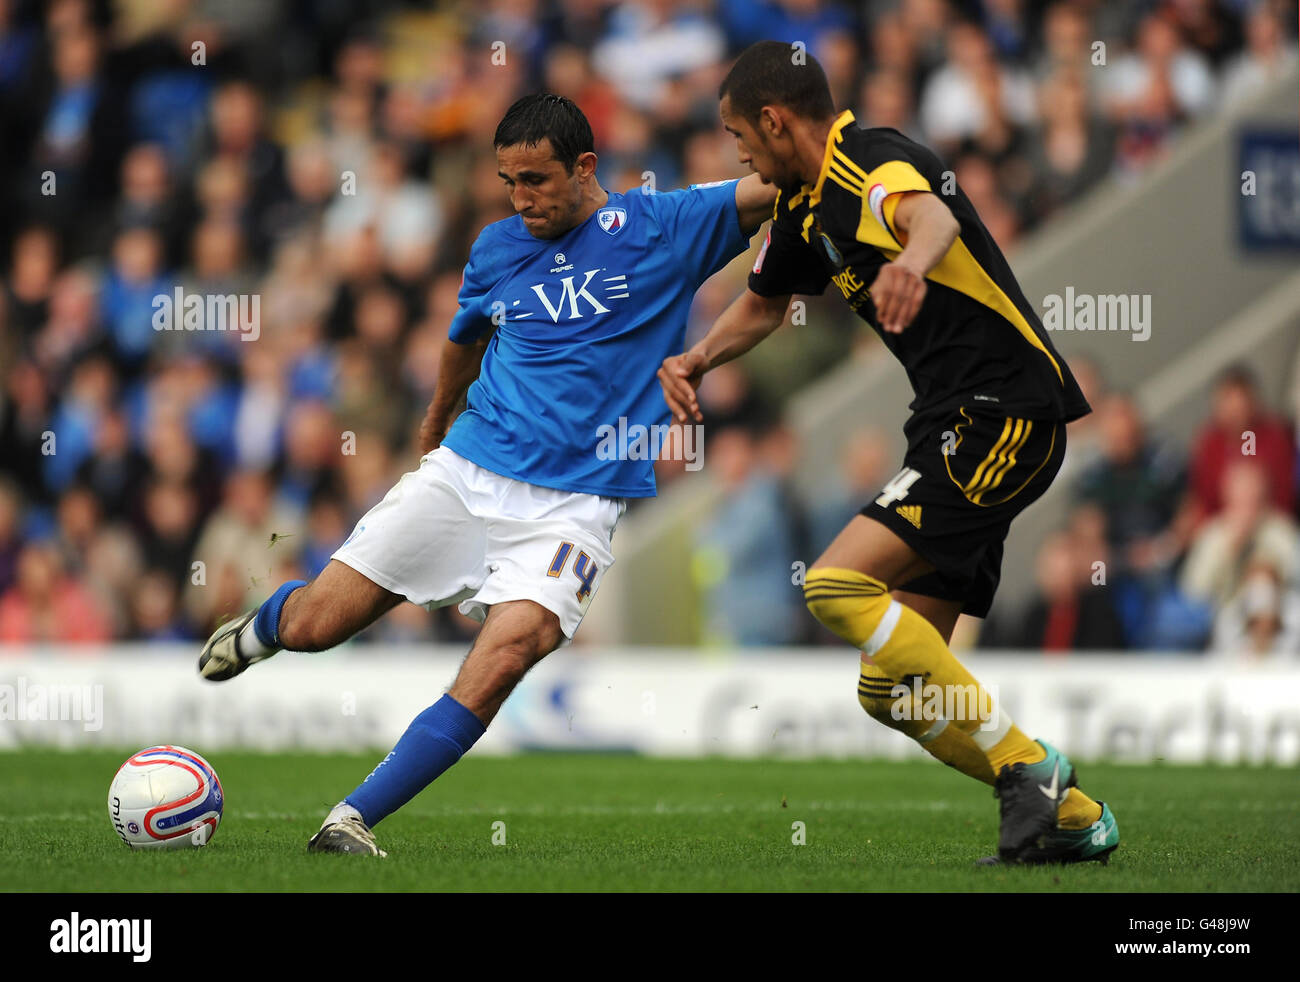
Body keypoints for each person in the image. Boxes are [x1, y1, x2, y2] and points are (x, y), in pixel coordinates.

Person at [196, 93, 776, 856]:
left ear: (586, 167)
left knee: (513, 645)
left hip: (575, 506)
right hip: (469, 470)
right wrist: (435, 421)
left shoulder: (662, 226)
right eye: (510, 181)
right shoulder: (498, 246)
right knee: (317, 626)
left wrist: (850, 158)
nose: (522, 197)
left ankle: (351, 818)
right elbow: (462, 340)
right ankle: (268, 624)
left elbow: (779, 183)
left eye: (537, 179)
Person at [659, 42, 1115, 865]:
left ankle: (1029, 768)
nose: (738, 153)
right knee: (892, 690)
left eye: (739, 134)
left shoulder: (869, 161)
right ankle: (1076, 818)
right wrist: (696, 360)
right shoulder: (801, 207)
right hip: (947, 423)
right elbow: (762, 308)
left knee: (835, 585)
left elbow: (932, 215)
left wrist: (910, 260)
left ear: (773, 119)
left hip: (1001, 411)